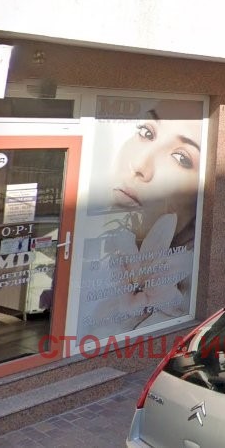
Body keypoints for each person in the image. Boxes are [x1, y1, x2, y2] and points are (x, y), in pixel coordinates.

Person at [79, 98, 203, 339]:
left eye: (182, 158)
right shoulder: (92, 269)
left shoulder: (178, 302)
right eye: (147, 132)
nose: (139, 165)